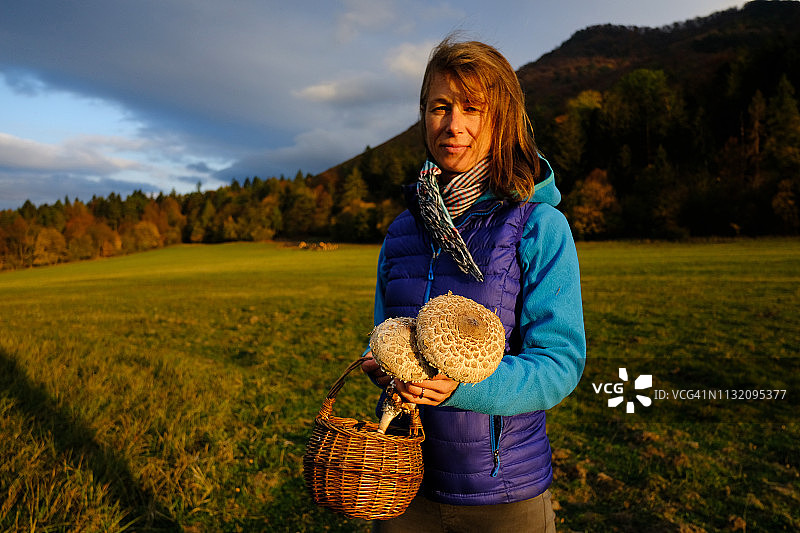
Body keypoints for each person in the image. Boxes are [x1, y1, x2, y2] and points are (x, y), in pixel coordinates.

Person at [361, 36, 586, 533]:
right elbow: (384, 330)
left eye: (472, 108)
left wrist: (461, 387)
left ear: (501, 118)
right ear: (423, 114)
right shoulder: (402, 231)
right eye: (440, 106)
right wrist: (378, 363)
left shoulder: (538, 227)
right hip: (400, 483)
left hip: (502, 493)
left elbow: (560, 363)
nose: (453, 125)